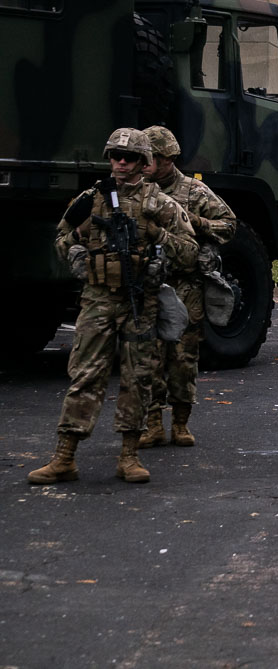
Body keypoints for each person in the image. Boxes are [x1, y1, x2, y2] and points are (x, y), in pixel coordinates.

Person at [29, 128, 198, 485]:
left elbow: (189, 252)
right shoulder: (91, 199)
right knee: (84, 376)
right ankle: (64, 456)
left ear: (143, 162)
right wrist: (77, 252)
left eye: (130, 158)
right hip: (98, 299)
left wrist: (157, 238)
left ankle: (129, 455)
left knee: (139, 380)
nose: (121, 163)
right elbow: (61, 238)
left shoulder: (160, 204)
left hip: (140, 300)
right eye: (115, 156)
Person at [137, 126, 238, 450]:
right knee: (147, 357)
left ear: (169, 159)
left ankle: (180, 423)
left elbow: (229, 224)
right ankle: (152, 423)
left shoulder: (193, 191)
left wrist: (196, 223)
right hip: (146, 284)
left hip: (184, 285)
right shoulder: (136, 191)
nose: (147, 164)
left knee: (183, 359)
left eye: (153, 158)